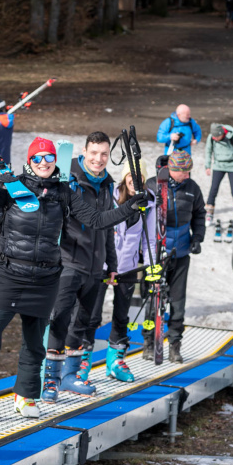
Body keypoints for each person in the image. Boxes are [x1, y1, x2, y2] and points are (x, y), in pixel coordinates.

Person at [0, 137, 149, 422]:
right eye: (37, 158)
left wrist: (131, 206)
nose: (43, 163)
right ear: (29, 160)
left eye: (49, 158)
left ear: (55, 161)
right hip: (10, 274)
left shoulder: (64, 193)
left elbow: (96, 220)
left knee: (34, 342)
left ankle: (26, 396)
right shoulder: (13, 186)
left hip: (45, 278)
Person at [43, 131, 128, 401]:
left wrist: (111, 263)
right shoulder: (68, 179)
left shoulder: (107, 184)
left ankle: (70, 376)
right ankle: (50, 379)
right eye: (94, 153)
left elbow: (108, 228)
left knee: (83, 322)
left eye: (104, 154)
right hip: (68, 261)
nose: (99, 159)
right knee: (59, 319)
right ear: (84, 152)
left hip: (95, 266)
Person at [74, 162, 157, 385]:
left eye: (139, 176)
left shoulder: (148, 203)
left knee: (122, 316)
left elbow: (150, 239)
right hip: (102, 264)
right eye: (131, 175)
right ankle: (82, 362)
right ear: (125, 178)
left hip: (128, 266)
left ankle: (115, 361)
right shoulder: (110, 196)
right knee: (90, 315)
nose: (134, 180)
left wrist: (151, 268)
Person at [142, 150, 206, 363]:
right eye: (184, 172)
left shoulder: (192, 188)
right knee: (153, 299)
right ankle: (149, 342)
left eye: (189, 171)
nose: (187, 176)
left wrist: (197, 237)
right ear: (172, 169)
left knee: (178, 302)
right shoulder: (153, 185)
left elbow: (199, 213)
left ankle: (175, 345)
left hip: (181, 252)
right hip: (156, 253)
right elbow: (140, 216)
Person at [204, 123, 233, 229]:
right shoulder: (211, 137)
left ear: (221, 134)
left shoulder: (232, 136)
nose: (214, 138)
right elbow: (208, 151)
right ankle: (209, 214)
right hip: (219, 165)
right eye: (213, 137)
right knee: (213, 189)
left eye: (216, 137)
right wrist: (207, 166)